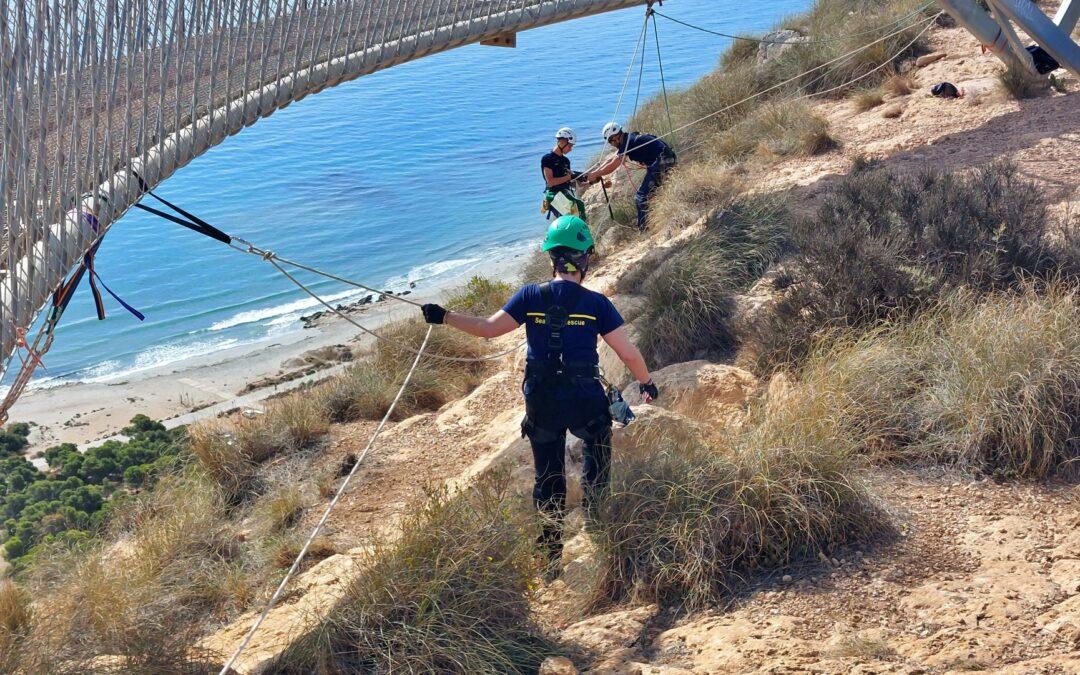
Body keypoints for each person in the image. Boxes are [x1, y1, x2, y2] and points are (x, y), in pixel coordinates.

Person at [420, 215, 658, 575]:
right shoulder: (597, 304)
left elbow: (488, 330)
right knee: (597, 454)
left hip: (542, 401)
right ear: (585, 259)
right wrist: (646, 383)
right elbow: (627, 353)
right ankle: (598, 524)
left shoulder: (530, 296)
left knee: (548, 480)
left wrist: (445, 316)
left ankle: (549, 560)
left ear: (552, 259)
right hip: (585, 399)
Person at [584, 121, 677, 231]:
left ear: (616, 136)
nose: (611, 144)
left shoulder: (628, 142)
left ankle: (644, 230)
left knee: (641, 197)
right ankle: (652, 220)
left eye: (610, 140)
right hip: (666, 159)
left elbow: (614, 165)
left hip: (662, 162)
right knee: (650, 193)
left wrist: (596, 174)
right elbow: (611, 159)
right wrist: (594, 172)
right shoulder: (629, 139)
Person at [541, 127, 590, 220]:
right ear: (563, 142)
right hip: (554, 194)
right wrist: (570, 177)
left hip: (565, 193)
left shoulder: (565, 161)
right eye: (570, 146)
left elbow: (569, 181)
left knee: (579, 206)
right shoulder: (547, 159)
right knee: (572, 212)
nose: (571, 149)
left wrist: (581, 181)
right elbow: (550, 182)